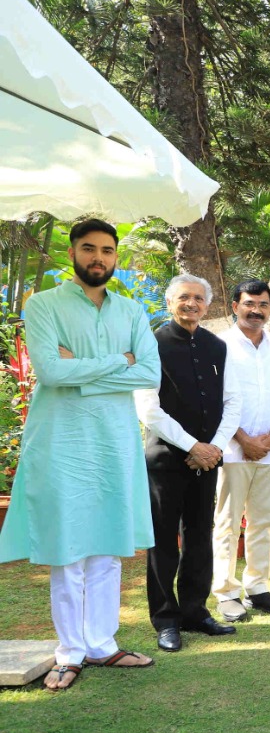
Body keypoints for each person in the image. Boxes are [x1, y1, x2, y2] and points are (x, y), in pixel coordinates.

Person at [0, 219, 160, 690]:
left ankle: (102, 645)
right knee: (68, 548)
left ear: (115, 257)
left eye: (107, 251)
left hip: (113, 439)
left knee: (110, 545)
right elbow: (49, 371)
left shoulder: (130, 312)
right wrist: (119, 362)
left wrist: (82, 370)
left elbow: (149, 373)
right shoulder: (44, 305)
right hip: (61, 440)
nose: (99, 258)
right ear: (71, 253)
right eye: (89, 249)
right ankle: (69, 652)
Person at [135, 274, 241, 652]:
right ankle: (166, 619)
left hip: (207, 461)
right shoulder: (151, 343)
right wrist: (192, 446)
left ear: (207, 305)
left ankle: (195, 610)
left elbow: (233, 401)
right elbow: (149, 407)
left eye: (198, 298)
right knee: (163, 540)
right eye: (184, 297)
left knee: (199, 535)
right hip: (166, 459)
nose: (191, 303)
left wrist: (212, 447)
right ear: (170, 302)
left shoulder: (216, 345)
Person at [211, 280, 270, 622]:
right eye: (249, 303)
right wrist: (243, 440)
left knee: (262, 521)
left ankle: (257, 587)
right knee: (227, 523)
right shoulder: (220, 346)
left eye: (262, 304)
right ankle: (226, 592)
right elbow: (215, 399)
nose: (256, 310)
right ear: (235, 306)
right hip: (233, 450)